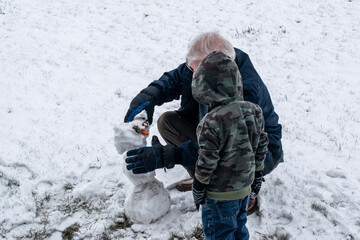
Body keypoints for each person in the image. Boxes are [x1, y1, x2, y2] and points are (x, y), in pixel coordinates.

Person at [124, 32, 283, 214]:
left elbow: (226, 148)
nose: (193, 78)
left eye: (197, 73)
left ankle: (241, 194)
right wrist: (147, 97)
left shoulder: (245, 91)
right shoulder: (200, 66)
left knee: (230, 159)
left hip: (254, 150)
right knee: (167, 122)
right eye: (191, 71)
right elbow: (172, 80)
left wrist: (169, 155)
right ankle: (203, 176)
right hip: (216, 132)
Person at [191, 50, 268, 240]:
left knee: (221, 234)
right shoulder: (255, 111)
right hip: (244, 191)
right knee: (239, 229)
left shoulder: (212, 121)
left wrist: (199, 184)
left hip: (219, 197)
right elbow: (261, 146)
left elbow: (207, 159)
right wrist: (258, 173)